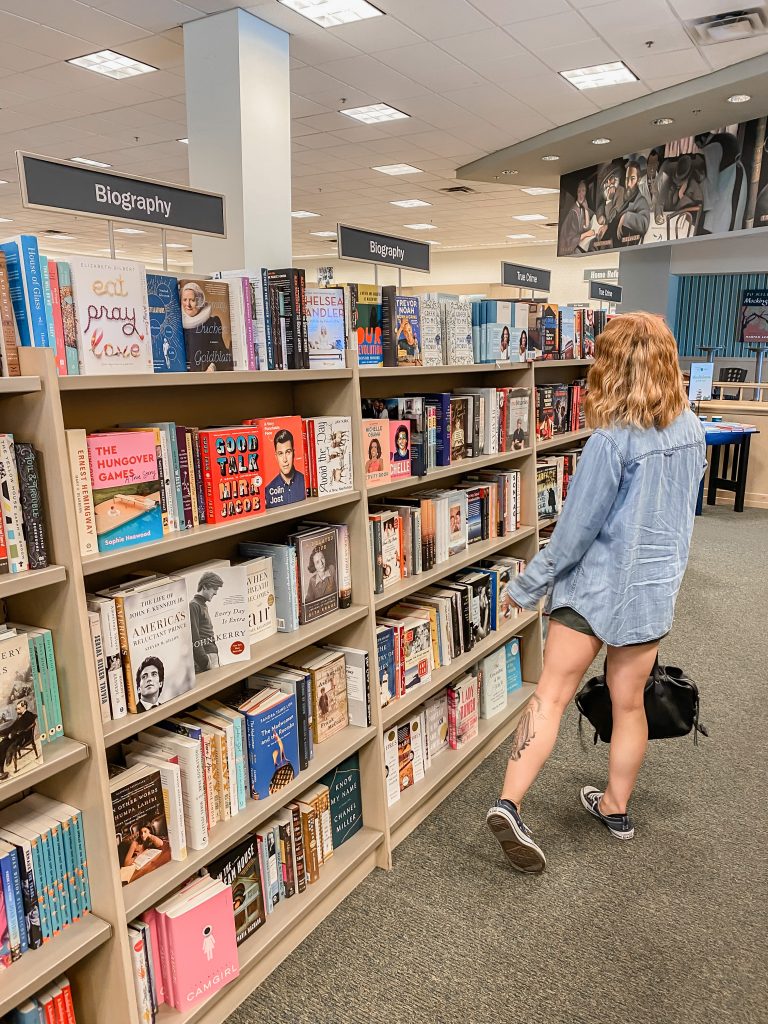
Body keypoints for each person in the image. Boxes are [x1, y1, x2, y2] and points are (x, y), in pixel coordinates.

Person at [486, 312, 706, 872]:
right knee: (629, 702)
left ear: (610, 366)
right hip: (651, 592)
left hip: (594, 590)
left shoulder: (610, 441)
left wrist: (526, 586)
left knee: (551, 696)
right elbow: (682, 516)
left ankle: (509, 805)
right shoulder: (692, 430)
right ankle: (615, 808)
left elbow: (574, 534)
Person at [180, 281, 233, 372]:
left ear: (200, 300)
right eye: (185, 300)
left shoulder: (212, 322)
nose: (188, 304)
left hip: (203, 373)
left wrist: (212, 366)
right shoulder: (176, 322)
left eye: (192, 300)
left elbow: (220, 352)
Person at [190, 571, 223, 672]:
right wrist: (204, 660)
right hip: (207, 655)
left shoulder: (202, 604)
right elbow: (194, 636)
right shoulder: (194, 605)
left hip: (211, 653)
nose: (216, 593)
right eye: (214, 588)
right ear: (204, 587)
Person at [265, 428, 306, 506]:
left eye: (288, 452)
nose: (285, 459)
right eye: (280, 453)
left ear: (293, 453)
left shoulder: (305, 483)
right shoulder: (267, 492)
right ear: (276, 457)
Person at [0, 699, 37, 779]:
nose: (17, 710)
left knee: (6, 746)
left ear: (24, 707)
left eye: (19, 709)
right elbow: (12, 727)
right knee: (2, 744)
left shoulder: (29, 715)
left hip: (24, 737)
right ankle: (1, 771)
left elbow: (22, 728)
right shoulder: (20, 717)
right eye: (16, 709)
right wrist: (1, 733)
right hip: (16, 736)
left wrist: (12, 734)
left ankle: (4, 766)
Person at [617, 160, 651, 242]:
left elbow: (644, 223)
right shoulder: (623, 197)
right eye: (627, 179)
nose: (628, 184)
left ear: (638, 180)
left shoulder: (641, 201)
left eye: (632, 179)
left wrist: (625, 217)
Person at [559, 179, 595, 255]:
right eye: (579, 191)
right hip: (571, 249)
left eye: (583, 191)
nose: (581, 194)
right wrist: (586, 234)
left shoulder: (584, 209)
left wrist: (586, 209)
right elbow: (570, 239)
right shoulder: (573, 212)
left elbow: (586, 227)